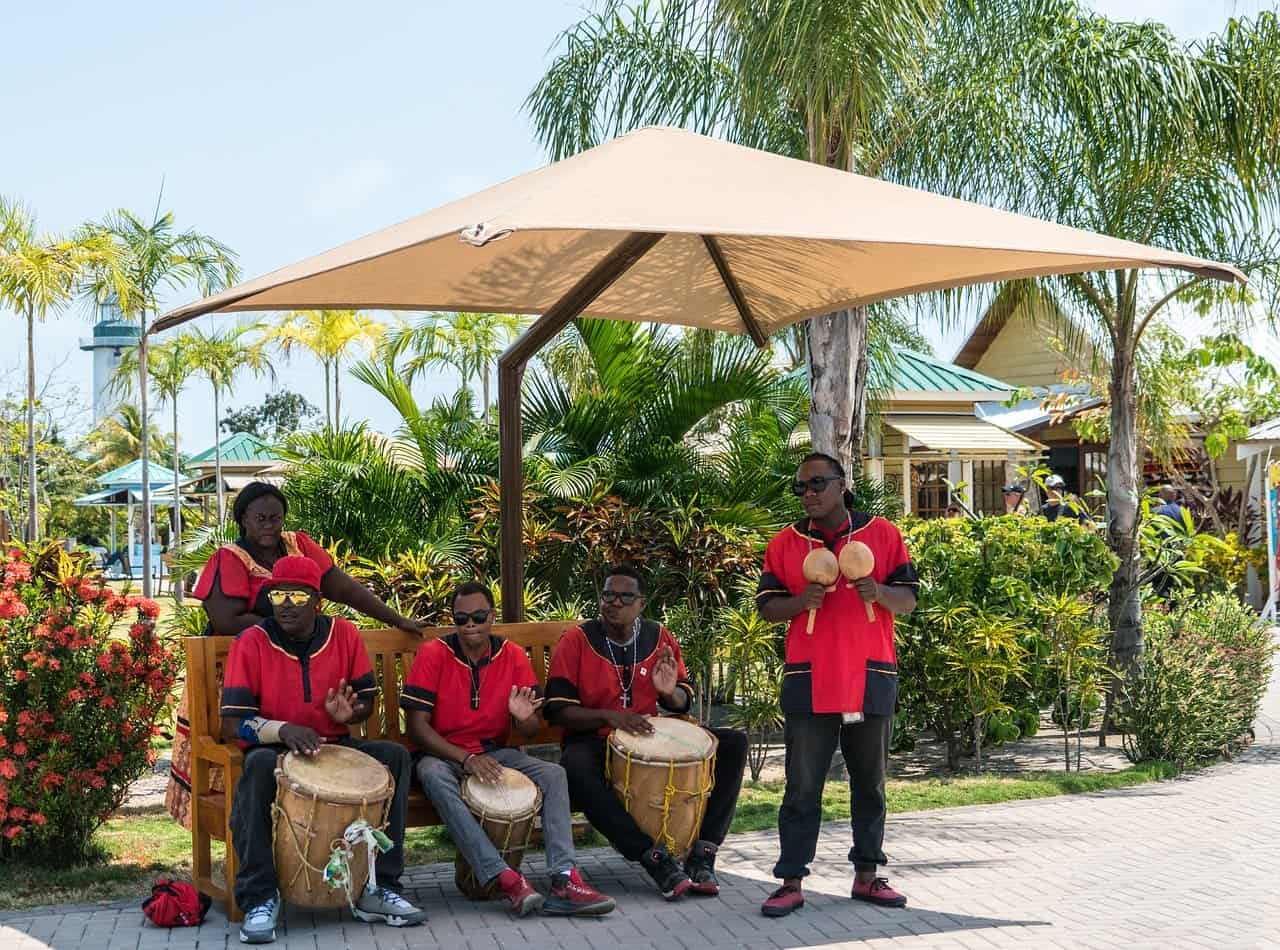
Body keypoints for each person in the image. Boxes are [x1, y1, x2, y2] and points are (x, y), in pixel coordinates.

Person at [166, 481, 425, 830]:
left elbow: (342, 586)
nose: (269, 526)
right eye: (260, 518)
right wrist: (293, 624)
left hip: (301, 661)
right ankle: (253, 842)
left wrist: (394, 619)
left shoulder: (299, 547)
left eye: (276, 518)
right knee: (247, 758)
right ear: (243, 519)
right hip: (243, 666)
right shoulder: (229, 557)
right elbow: (226, 620)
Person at [219, 556, 428, 944]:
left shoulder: (344, 634)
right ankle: (260, 897)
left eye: (296, 596)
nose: (285, 604)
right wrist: (282, 730)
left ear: (317, 599)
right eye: (278, 595)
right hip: (278, 750)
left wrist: (352, 712)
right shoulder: (252, 642)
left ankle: (380, 886)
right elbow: (233, 723)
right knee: (258, 767)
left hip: (336, 745)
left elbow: (366, 700)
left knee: (394, 757)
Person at [756, 452, 919, 918]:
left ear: (842, 484)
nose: (808, 494)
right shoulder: (785, 544)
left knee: (870, 783)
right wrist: (800, 601)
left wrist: (879, 593)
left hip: (870, 675)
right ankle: (791, 879)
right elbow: (767, 606)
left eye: (817, 484)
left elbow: (907, 599)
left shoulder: (882, 535)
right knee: (802, 784)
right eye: (801, 488)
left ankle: (867, 876)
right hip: (810, 677)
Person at [404, 581, 616, 918]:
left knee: (554, 773)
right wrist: (466, 759)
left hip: (494, 752)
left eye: (478, 616)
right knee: (429, 773)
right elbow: (416, 726)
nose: (470, 624)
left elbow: (532, 730)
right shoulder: (434, 654)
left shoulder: (513, 656)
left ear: (492, 616)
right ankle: (506, 879)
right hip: (444, 754)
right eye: (461, 618)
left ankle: (564, 878)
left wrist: (524, 718)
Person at [544, 565, 748, 901]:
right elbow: (557, 709)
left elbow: (683, 700)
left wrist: (668, 692)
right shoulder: (577, 640)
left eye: (625, 597)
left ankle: (704, 853)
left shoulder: (658, 636)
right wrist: (611, 717)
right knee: (575, 768)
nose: (614, 603)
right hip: (594, 737)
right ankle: (654, 859)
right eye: (608, 595)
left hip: (648, 732)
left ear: (641, 603)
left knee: (733, 743)